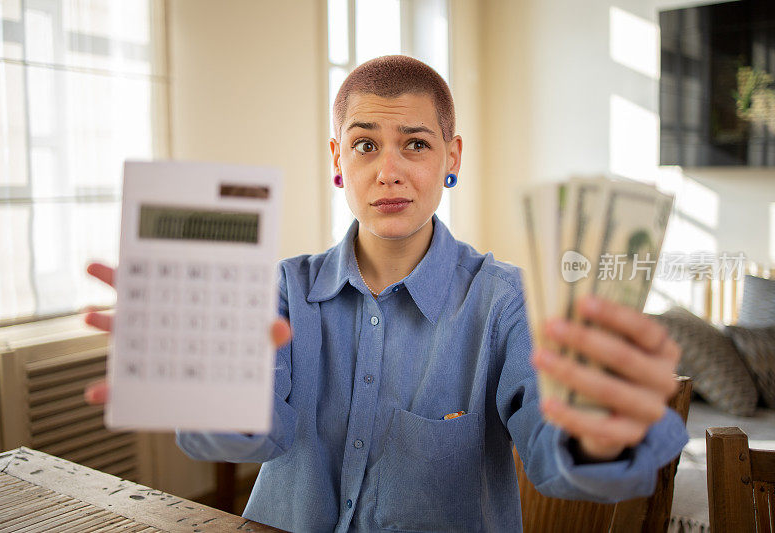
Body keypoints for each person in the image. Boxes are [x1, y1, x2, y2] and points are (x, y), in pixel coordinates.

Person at [85, 55, 687, 532]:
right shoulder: (284, 291)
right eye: (365, 144)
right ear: (338, 160)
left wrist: (599, 442)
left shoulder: (504, 303)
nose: (388, 170)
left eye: (416, 144)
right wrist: (205, 391)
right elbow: (256, 434)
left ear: (452, 156)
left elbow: (553, 450)